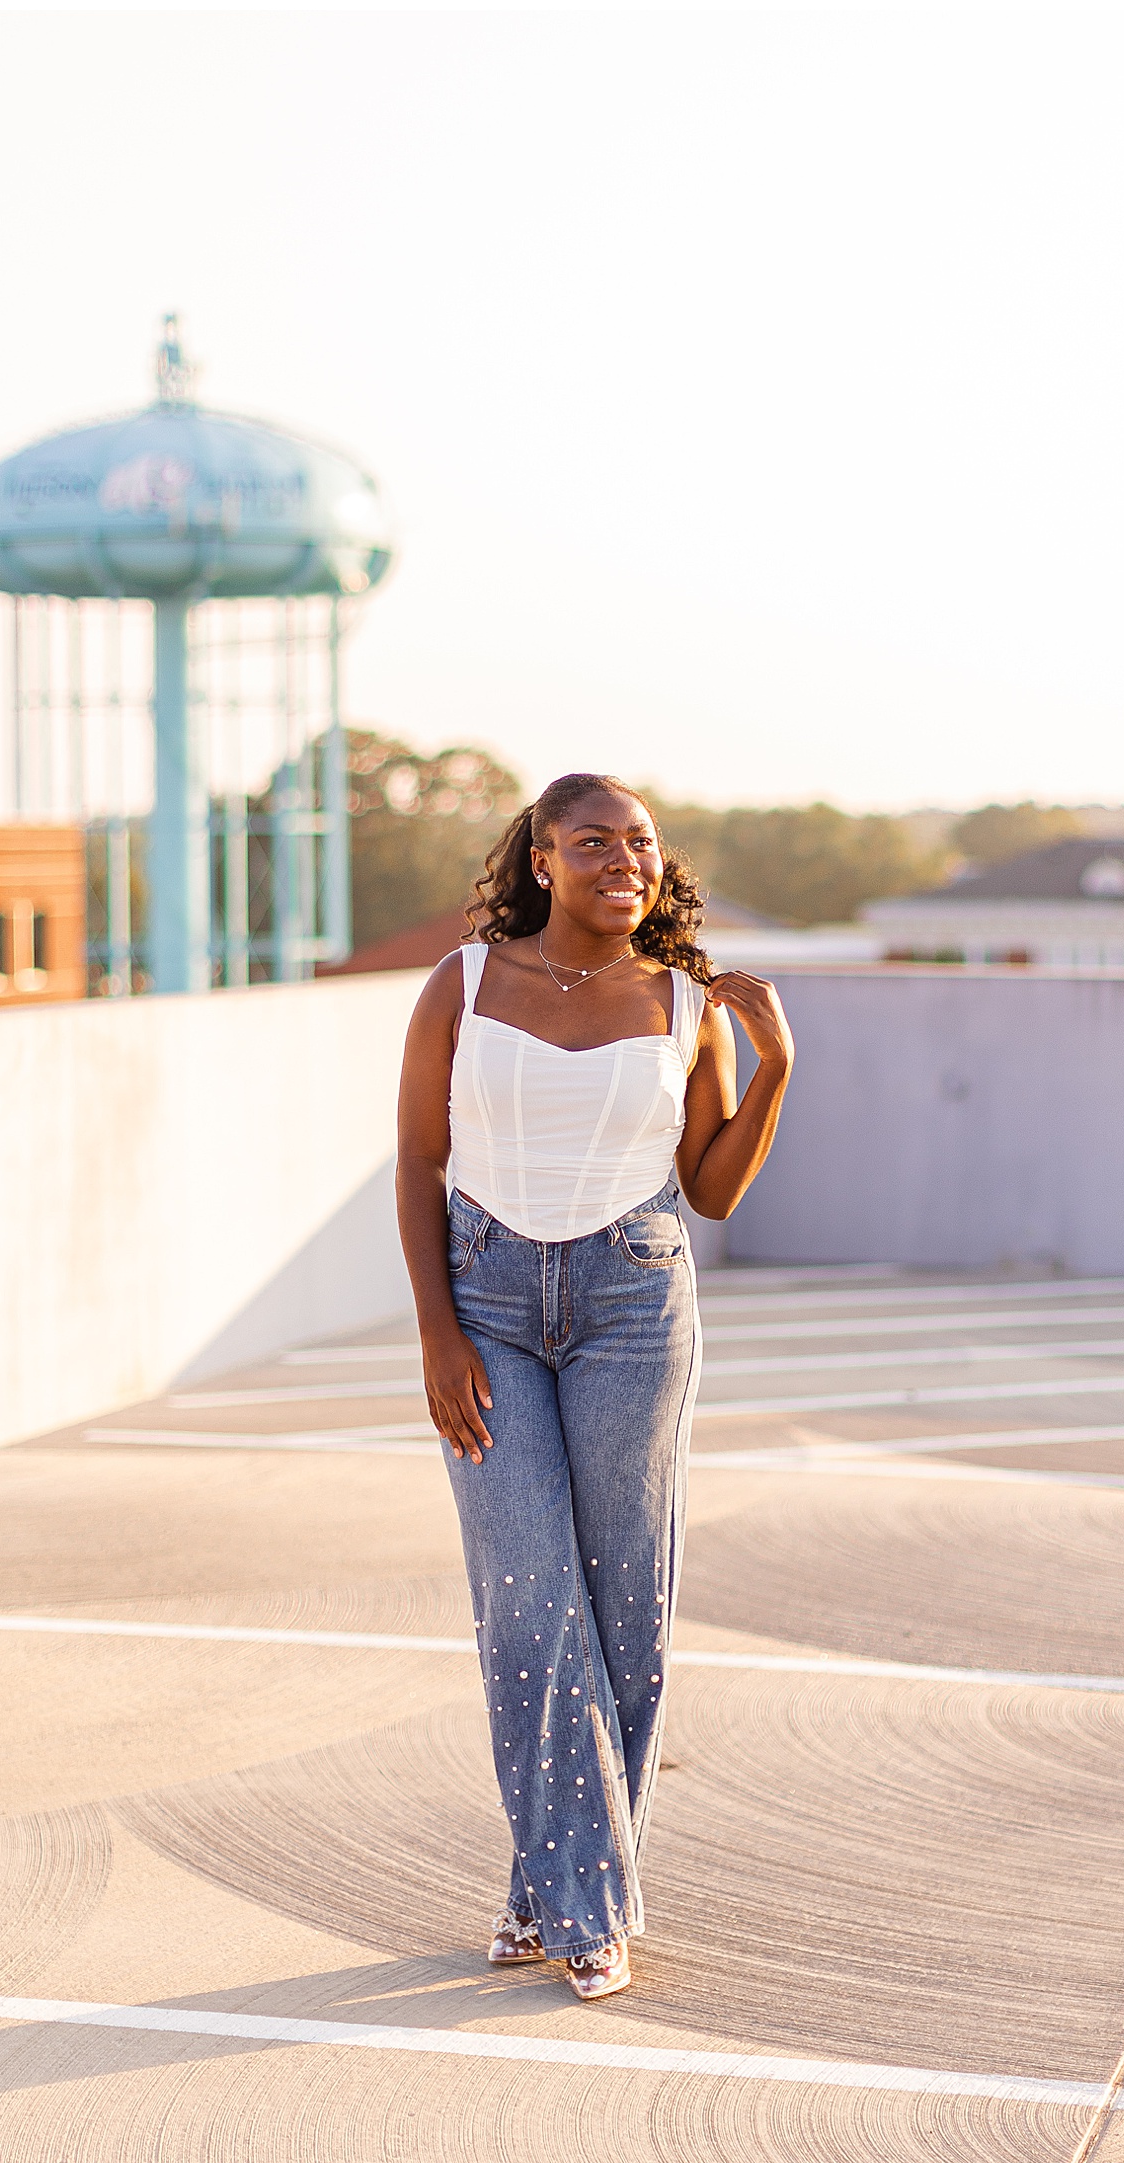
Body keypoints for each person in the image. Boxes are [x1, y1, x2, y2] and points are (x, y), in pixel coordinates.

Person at [395, 773, 794, 2000]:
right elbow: (417, 1158)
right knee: (527, 1599)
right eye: (590, 842)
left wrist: (774, 1062)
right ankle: (586, 1902)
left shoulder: (686, 1004)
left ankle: (558, 1896)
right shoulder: (461, 983)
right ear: (541, 859)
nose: (620, 858)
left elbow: (714, 1187)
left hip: (634, 1295)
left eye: (639, 842)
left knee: (628, 1606)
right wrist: (437, 1336)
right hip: (489, 1300)